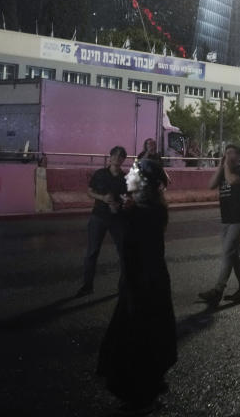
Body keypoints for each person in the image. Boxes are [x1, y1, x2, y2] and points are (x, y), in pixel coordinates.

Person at [97, 158, 176, 415]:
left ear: (142, 182)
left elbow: (133, 250)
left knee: (137, 336)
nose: (128, 175)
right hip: (149, 279)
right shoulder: (149, 208)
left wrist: (121, 212)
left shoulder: (143, 212)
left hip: (142, 281)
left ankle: (140, 394)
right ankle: (148, 385)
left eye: (133, 172)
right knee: (147, 332)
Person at [199, 145, 240, 305]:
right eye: (226, 153)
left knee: (228, 251)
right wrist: (221, 166)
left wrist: (227, 167)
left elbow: (232, 180)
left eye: (231, 153)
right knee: (232, 254)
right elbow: (211, 185)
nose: (227, 156)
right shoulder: (224, 169)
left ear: (239, 156)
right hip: (227, 219)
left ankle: (218, 290)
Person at [78, 146, 128, 297]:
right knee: (92, 252)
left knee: (124, 253)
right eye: (115, 155)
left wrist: (123, 203)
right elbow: (89, 191)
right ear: (110, 157)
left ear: (123, 160)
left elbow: (128, 197)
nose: (117, 159)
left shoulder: (125, 178)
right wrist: (103, 198)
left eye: (121, 157)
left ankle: (123, 286)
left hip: (117, 218)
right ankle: (87, 286)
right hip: (98, 217)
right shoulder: (100, 174)